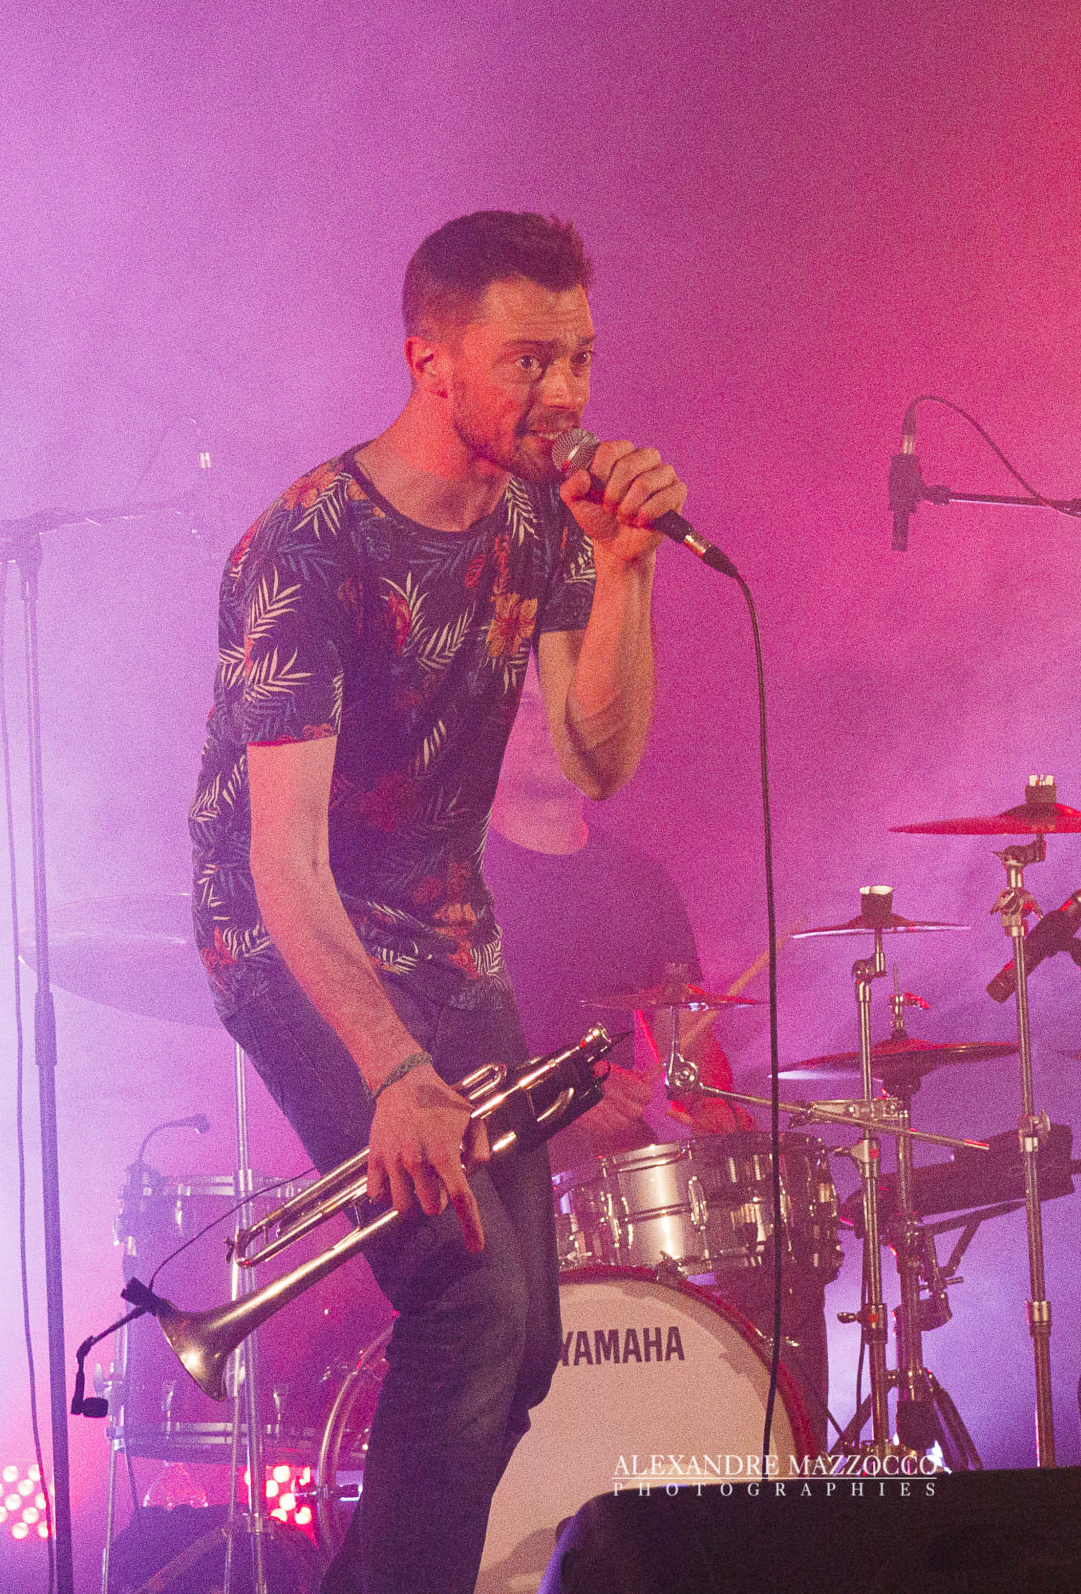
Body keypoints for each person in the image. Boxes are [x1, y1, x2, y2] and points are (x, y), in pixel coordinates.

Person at [188, 211, 686, 1594]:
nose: (567, 393)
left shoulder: (542, 523)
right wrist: (395, 1072)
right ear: (431, 360)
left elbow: (599, 757)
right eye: (530, 360)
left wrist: (626, 570)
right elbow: (286, 863)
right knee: (468, 1302)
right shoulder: (308, 547)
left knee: (525, 1347)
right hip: (289, 935)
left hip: (448, 934)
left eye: (580, 357)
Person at [484, 667, 832, 1423]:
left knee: (780, 1258)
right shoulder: (464, 880)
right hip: (505, 1175)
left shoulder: (639, 881)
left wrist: (707, 1112)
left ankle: (776, 1461)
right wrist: (559, 1107)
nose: (547, 725)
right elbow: (435, 1064)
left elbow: (687, 1050)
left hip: (624, 1181)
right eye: (527, 707)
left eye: (564, 708)